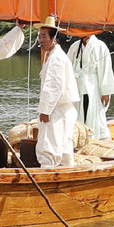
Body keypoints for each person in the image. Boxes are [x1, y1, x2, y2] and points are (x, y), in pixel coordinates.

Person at [36, 16, 80, 169]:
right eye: (39, 36)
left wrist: (45, 110)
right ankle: (67, 172)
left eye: (43, 37)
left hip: (57, 109)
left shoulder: (56, 59)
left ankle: (46, 176)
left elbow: (53, 87)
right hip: (62, 109)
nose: (40, 40)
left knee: (48, 146)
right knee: (64, 146)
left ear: (54, 38)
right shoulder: (53, 56)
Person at [67, 32, 114, 139]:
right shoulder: (75, 46)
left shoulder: (100, 46)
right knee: (77, 112)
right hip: (77, 85)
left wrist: (105, 92)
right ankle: (79, 137)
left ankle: (97, 137)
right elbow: (68, 66)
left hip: (93, 85)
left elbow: (105, 70)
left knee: (94, 112)